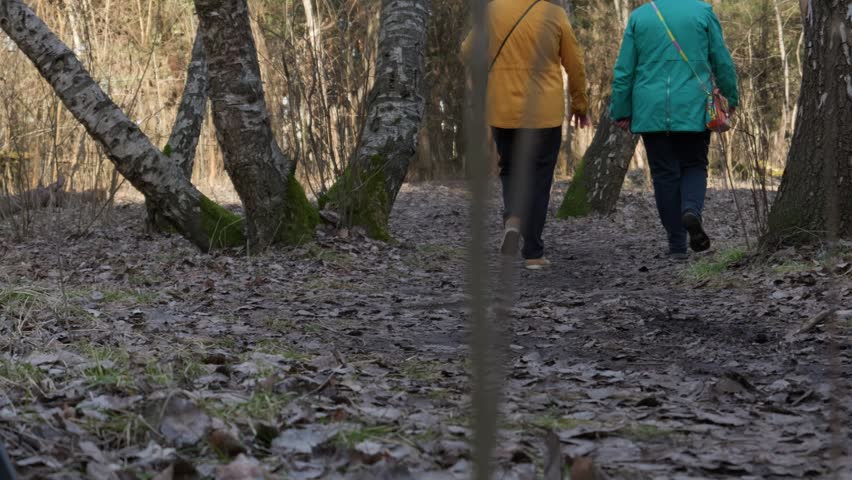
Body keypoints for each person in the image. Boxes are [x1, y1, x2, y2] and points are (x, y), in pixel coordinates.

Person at [461, 0, 590, 270]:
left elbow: (467, 51)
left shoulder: (492, 11)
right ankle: (532, 253)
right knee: (539, 178)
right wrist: (580, 104)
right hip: (543, 112)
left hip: (502, 109)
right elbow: (574, 63)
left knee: (509, 169)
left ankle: (513, 218)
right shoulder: (554, 15)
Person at [611, 0, 738, 260]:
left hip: (651, 108)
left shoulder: (640, 17)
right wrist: (731, 97)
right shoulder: (703, 13)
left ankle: (677, 245)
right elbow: (722, 60)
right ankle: (691, 210)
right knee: (694, 165)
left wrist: (621, 109)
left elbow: (624, 70)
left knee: (664, 175)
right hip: (692, 104)